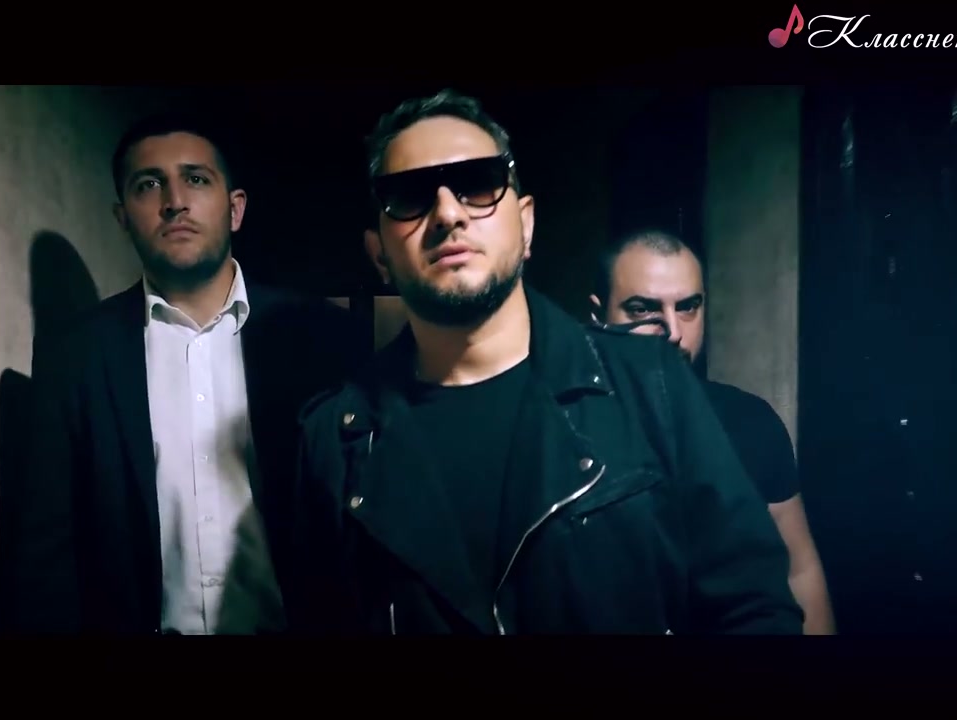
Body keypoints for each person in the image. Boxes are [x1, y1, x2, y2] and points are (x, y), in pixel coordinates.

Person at [280, 89, 804, 635]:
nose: (448, 214)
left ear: (526, 225)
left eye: (478, 184)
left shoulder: (651, 384)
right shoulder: (334, 440)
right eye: (410, 196)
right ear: (380, 254)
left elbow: (754, 606)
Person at [2, 112, 363, 635]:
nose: (174, 201)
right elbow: (47, 550)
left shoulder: (320, 336)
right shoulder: (74, 356)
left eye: (195, 178)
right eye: (149, 185)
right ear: (123, 217)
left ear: (234, 209)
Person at [588, 229, 836, 634]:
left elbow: (798, 570)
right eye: (643, 309)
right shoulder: (564, 429)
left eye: (688, 307)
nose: (673, 331)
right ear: (599, 317)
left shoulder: (750, 421)